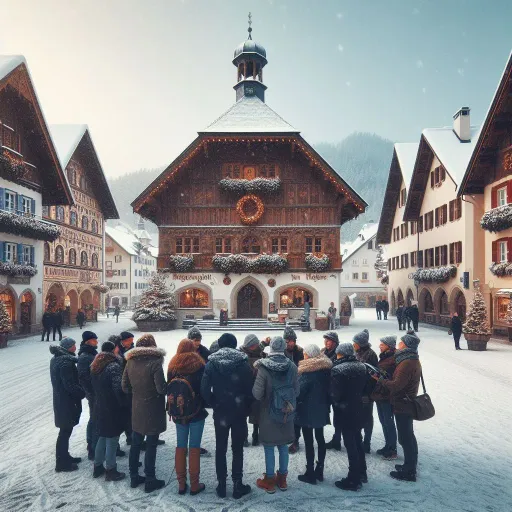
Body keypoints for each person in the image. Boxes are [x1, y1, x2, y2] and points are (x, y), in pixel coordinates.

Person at [201, 333, 253, 499]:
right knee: (237, 448)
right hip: (238, 411)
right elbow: (250, 389)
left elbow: (204, 389)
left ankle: (222, 484)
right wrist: (246, 406)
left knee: (221, 448)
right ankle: (237, 484)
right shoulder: (243, 363)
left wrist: (214, 403)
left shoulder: (212, 363)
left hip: (221, 411)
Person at [372, 331, 422, 482]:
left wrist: (380, 380)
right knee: (408, 437)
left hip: (403, 404)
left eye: (401, 342)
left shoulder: (407, 363)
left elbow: (396, 385)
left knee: (406, 438)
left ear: (406, 345)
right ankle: (409, 465)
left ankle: (409, 471)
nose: (399, 344)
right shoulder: (410, 360)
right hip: (404, 402)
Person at [253, 336, 299, 494]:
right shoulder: (292, 366)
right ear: (284, 348)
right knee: (283, 445)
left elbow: (257, 394)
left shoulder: (263, 367)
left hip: (268, 414)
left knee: (269, 446)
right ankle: (283, 479)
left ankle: (270, 480)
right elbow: (297, 391)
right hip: (286, 412)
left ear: (270, 348)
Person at [122, 334, 167, 492]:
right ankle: (150, 478)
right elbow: (161, 388)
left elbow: (125, 386)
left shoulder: (130, 361)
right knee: (151, 445)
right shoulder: (155, 362)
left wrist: (137, 393)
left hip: (137, 407)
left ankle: (134, 476)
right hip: (153, 408)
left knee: (136, 443)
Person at [167, 339, 208, 496]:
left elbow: (168, 387)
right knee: (194, 447)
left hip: (179, 411)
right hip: (196, 411)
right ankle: (195, 484)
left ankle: (181, 483)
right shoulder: (199, 364)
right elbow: (203, 389)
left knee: (180, 446)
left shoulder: (172, 365)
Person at [331, 343, 368, 491]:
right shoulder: (362, 367)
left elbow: (335, 394)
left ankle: (353, 479)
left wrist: (338, 403)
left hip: (344, 411)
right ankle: (362, 472)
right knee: (358, 441)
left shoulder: (338, 370)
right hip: (359, 409)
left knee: (350, 444)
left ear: (341, 354)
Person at [296, 344, 332, 485]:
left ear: (310, 355)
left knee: (309, 441)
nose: (303, 356)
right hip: (322, 408)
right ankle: (320, 469)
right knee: (320, 438)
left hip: (307, 410)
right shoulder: (325, 369)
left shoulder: (308, 371)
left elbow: (300, 391)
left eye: (305, 354)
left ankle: (310, 472)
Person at [91, 341, 126, 482]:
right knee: (112, 438)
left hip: (99, 405)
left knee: (102, 436)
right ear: (113, 350)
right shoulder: (113, 366)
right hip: (112, 407)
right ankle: (111, 470)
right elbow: (118, 389)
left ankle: (97, 466)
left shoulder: (95, 365)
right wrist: (124, 403)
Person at [50, 337, 85, 472]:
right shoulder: (65, 362)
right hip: (66, 401)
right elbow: (69, 385)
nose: (75, 347)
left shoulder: (57, 359)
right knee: (65, 431)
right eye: (73, 345)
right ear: (68, 347)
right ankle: (61, 463)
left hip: (61, 400)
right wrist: (82, 393)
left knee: (66, 430)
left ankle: (65, 456)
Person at [371, 336, 398, 460]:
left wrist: (380, 375)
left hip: (386, 394)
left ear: (389, 346)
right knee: (383, 421)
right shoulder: (385, 356)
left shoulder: (393, 358)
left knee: (388, 422)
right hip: (380, 393)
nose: (379, 346)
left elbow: (392, 376)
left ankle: (392, 449)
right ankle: (388, 445)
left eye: (382, 344)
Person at [353, 329, 378, 454]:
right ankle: (360, 440)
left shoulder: (370, 354)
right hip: (358, 391)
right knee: (358, 416)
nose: (353, 344)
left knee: (367, 417)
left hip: (366, 392)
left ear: (361, 343)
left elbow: (372, 374)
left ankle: (366, 442)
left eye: (355, 342)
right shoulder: (358, 352)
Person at [77, 331, 99, 460]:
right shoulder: (86, 356)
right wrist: (91, 393)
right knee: (95, 420)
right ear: (87, 341)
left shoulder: (90, 353)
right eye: (94, 340)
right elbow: (84, 377)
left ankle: (92, 446)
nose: (96, 342)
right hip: (93, 394)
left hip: (94, 393)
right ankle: (93, 448)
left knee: (94, 419)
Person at [240, 334, 265, 447]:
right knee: (243, 413)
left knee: (257, 413)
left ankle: (256, 435)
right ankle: (244, 436)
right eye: (252, 345)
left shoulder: (262, 354)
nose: (254, 346)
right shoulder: (241, 355)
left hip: (257, 387)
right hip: (244, 388)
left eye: (255, 344)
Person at [282, 326, 303, 454]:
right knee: (284, 413)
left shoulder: (299, 351)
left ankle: (295, 440)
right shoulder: (280, 351)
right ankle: (284, 437)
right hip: (283, 388)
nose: (291, 343)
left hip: (296, 386)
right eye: (289, 340)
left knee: (296, 416)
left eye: (293, 340)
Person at [115, 331, 135, 445]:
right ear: (124, 341)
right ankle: (129, 436)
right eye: (130, 340)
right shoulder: (117, 350)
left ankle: (130, 436)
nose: (132, 342)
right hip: (122, 384)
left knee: (130, 413)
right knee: (125, 414)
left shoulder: (132, 349)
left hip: (129, 384)